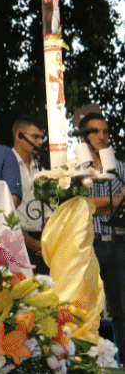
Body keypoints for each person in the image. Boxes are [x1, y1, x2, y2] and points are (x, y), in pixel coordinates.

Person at [77, 111, 125, 340]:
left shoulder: (121, 169)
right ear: (83, 137)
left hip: (119, 246)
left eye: (105, 131)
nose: (102, 136)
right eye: (95, 131)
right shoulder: (73, 171)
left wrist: (92, 204)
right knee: (86, 313)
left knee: (123, 313)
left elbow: (88, 205)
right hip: (88, 246)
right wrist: (112, 202)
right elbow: (75, 206)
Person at [11, 115, 51, 275]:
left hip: (43, 241)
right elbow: (6, 209)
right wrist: (30, 242)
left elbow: (48, 208)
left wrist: (47, 241)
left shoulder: (41, 165)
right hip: (18, 241)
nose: (40, 142)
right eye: (35, 137)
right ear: (19, 136)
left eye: (42, 137)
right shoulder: (7, 163)